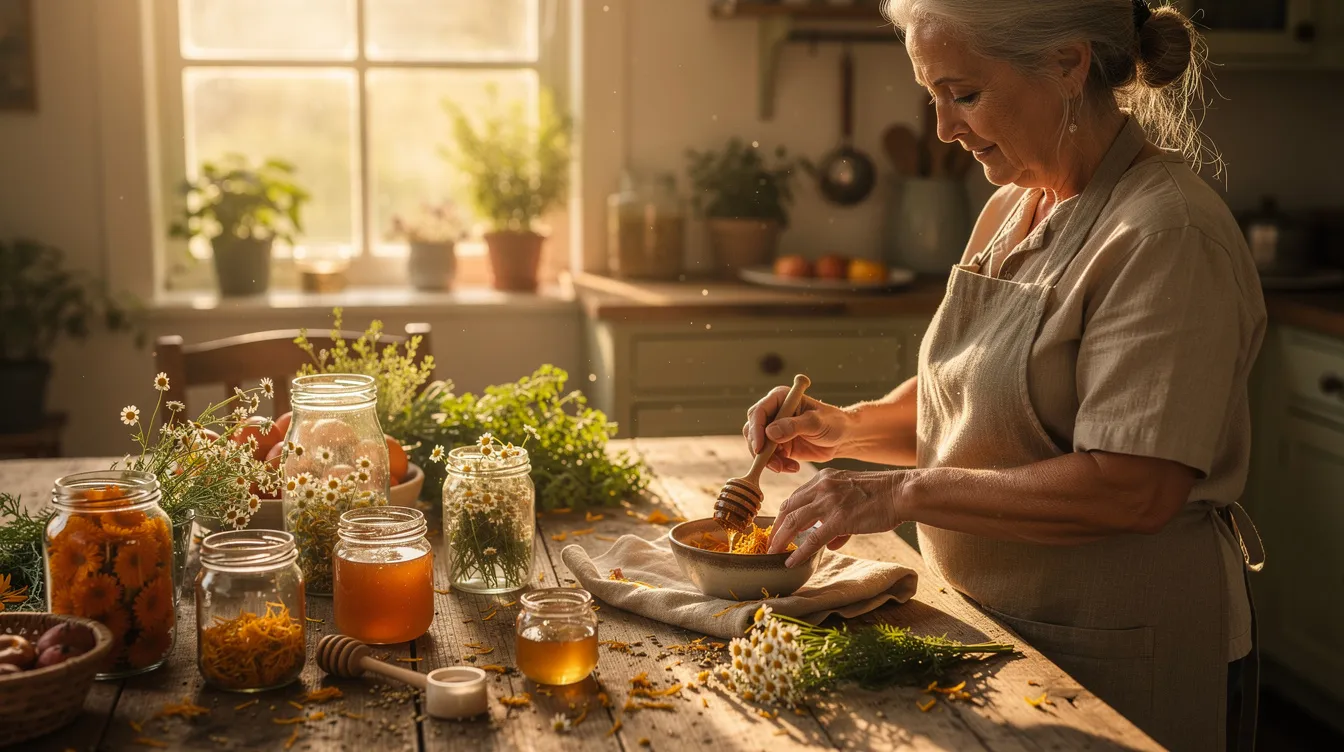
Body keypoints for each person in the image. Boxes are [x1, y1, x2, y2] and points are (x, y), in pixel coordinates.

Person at [745, 2, 1266, 750]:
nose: (943, 129)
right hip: (989, 627)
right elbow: (970, 406)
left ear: (1067, 65)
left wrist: (898, 493)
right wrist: (843, 429)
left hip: (1113, 648)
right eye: (933, 97)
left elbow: (1135, 486)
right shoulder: (1009, 209)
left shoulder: (1165, 234)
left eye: (964, 94)